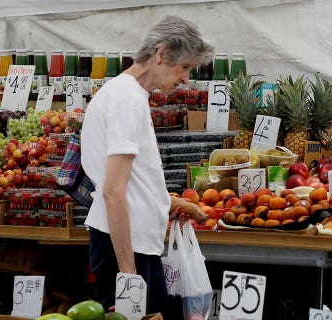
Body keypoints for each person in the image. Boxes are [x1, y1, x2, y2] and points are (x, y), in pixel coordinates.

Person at [80, 15, 214, 317]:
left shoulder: (123, 93)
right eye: (185, 67)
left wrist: (165, 202)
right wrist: (129, 274)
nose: (185, 79)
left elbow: (131, 182)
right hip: (127, 251)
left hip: (129, 243)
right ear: (162, 54)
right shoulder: (127, 100)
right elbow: (113, 192)